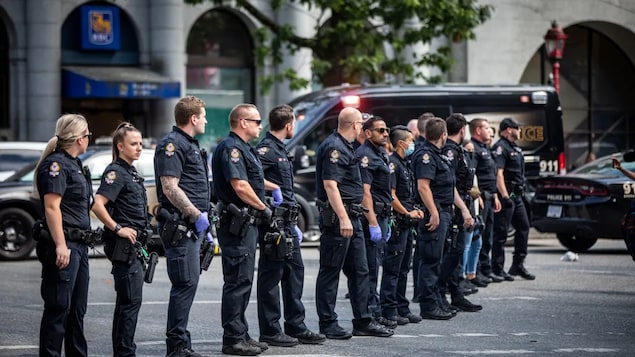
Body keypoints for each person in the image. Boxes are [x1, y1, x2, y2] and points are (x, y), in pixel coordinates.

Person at [315, 107, 394, 339]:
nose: (362, 127)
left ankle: (363, 320)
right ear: (355, 125)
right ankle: (328, 323)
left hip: (354, 217)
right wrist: (342, 217)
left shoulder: (347, 147)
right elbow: (330, 185)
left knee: (361, 270)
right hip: (340, 220)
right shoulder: (334, 147)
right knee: (330, 272)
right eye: (362, 123)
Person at [255, 104, 326, 347]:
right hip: (274, 221)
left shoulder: (281, 149)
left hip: (288, 221)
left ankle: (296, 325)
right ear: (289, 125)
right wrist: (273, 190)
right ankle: (270, 330)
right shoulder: (266, 149)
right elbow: (252, 177)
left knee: (294, 273)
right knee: (271, 275)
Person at [212, 103, 272, 356]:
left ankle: (242, 333)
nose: (260, 126)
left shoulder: (244, 149)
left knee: (244, 279)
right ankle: (233, 339)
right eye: (256, 121)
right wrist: (263, 208)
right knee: (237, 281)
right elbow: (240, 186)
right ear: (243, 122)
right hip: (237, 226)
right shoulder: (232, 148)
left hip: (246, 225)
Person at [154, 96, 210, 357]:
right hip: (181, 228)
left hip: (192, 228)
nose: (207, 120)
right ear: (193, 118)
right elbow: (169, 187)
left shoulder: (188, 143)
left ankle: (182, 342)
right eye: (204, 115)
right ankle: (176, 346)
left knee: (188, 284)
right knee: (184, 284)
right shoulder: (173, 145)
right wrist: (194, 213)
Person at [34, 114, 93, 357]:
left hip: (79, 245)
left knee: (77, 310)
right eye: (88, 134)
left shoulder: (75, 164)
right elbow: (51, 207)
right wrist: (60, 245)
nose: (89, 138)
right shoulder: (56, 165)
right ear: (80, 139)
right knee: (59, 308)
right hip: (64, 244)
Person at [92, 122, 151, 357]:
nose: (139, 148)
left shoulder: (131, 171)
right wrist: (118, 228)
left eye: (140, 144)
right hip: (124, 247)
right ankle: (125, 352)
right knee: (129, 303)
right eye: (133, 144)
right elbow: (98, 204)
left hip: (135, 247)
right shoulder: (115, 172)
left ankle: (123, 351)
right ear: (120, 146)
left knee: (128, 303)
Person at [412, 117, 473, 320]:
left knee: (438, 259)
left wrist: (464, 210)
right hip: (435, 213)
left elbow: (450, 186)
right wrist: (434, 212)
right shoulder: (426, 156)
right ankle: (428, 306)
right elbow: (423, 186)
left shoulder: (439, 156)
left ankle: (437, 300)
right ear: (443, 135)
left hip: (446, 212)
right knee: (430, 260)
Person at [437, 114, 481, 313]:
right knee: (454, 252)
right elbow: (450, 184)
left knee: (457, 251)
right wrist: (463, 210)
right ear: (462, 129)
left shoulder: (458, 151)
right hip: (455, 208)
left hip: (462, 204)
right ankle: (440, 291)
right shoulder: (450, 152)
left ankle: (456, 293)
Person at [379, 125, 423, 325]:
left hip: (408, 222)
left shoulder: (406, 163)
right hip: (398, 222)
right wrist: (406, 212)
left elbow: (407, 195)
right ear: (401, 143)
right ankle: (389, 309)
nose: (413, 144)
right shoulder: (393, 164)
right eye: (411, 141)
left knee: (404, 268)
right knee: (393, 269)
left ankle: (401, 307)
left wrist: (416, 210)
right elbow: (392, 195)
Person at [355, 116, 395, 327]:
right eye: (380, 130)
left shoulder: (380, 153)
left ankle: (376, 311)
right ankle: (369, 315)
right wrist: (372, 222)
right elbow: (365, 193)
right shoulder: (365, 156)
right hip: (373, 217)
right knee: (370, 269)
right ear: (367, 133)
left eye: (386, 129)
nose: (385, 133)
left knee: (376, 265)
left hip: (383, 216)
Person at [491, 117, 535, 280]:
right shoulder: (500, 148)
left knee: (523, 227)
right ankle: (497, 268)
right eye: (517, 128)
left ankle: (517, 265)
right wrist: (504, 196)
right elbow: (499, 174)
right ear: (509, 129)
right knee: (501, 233)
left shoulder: (514, 148)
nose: (519, 130)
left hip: (518, 195)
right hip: (507, 195)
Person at [469, 118, 502, 286]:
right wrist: (478, 196)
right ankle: (476, 271)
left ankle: (486, 269)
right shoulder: (474, 148)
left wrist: (495, 195)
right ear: (478, 130)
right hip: (480, 198)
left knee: (488, 236)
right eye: (487, 128)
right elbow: (472, 175)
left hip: (490, 196)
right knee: (478, 237)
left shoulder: (485, 148)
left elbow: (491, 176)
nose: (490, 131)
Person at [461, 140, 484, 287]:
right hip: (466, 209)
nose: (470, 153)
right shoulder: (462, 165)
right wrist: (476, 193)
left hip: (474, 209)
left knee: (477, 243)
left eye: (472, 150)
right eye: (467, 150)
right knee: (466, 245)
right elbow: (467, 188)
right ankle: (462, 276)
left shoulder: (471, 166)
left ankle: (471, 274)